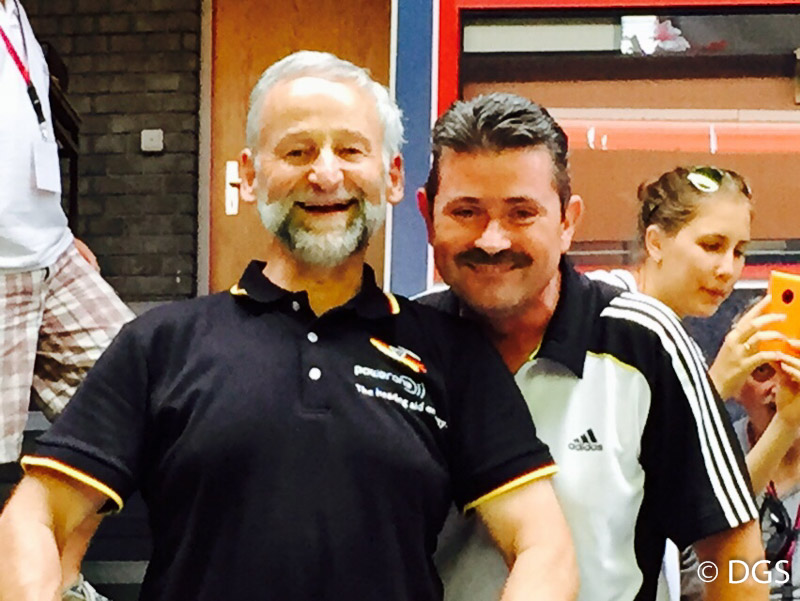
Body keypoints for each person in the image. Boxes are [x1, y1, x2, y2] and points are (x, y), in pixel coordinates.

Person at [0, 52, 578, 601]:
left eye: (350, 150)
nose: (325, 174)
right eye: (297, 152)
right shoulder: (162, 344)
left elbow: (543, 545)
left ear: (393, 177)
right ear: (251, 176)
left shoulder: (452, 352)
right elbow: (37, 516)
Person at [416, 92, 767, 600]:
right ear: (429, 218)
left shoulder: (646, 341)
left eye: (521, 213)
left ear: (567, 222)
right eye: (466, 211)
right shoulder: (402, 344)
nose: (492, 240)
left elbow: (733, 552)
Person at [0, 1, 133, 600]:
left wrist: (58, 226)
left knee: (141, 407)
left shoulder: (15, 13)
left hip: (52, 256)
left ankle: (64, 577)